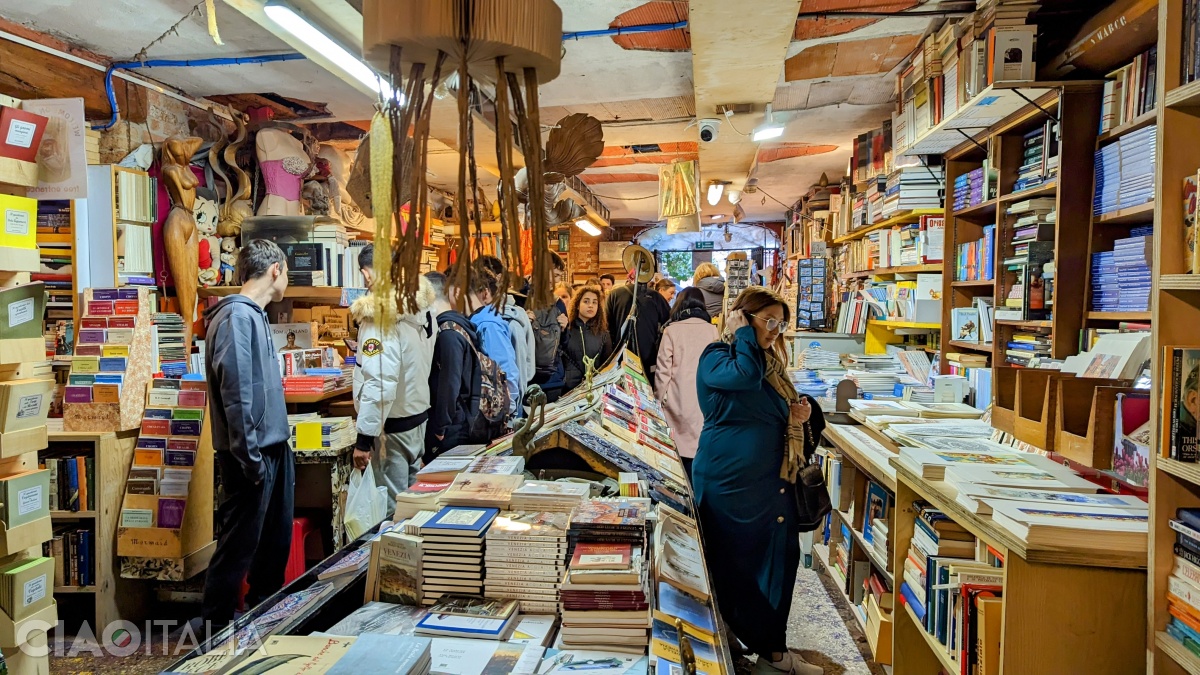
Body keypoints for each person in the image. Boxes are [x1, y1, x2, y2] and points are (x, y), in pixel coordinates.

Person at [693, 286, 826, 675]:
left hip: (766, 486)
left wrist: (795, 416)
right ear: (742, 318)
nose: (775, 330)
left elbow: (765, 403)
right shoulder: (717, 357)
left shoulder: (768, 363)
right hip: (731, 485)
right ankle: (772, 655)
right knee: (737, 566)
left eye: (780, 323)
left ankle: (771, 649)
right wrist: (742, 334)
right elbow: (745, 378)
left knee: (776, 563)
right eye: (768, 321)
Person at [201, 240, 294, 626]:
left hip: (271, 448)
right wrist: (251, 459)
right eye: (287, 272)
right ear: (276, 269)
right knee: (238, 549)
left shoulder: (254, 315)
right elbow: (236, 394)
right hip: (251, 455)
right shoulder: (237, 317)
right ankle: (214, 634)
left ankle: (264, 624)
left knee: (273, 547)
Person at [350, 244, 435, 512]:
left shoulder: (380, 317)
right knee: (412, 507)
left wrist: (364, 439)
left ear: (367, 274)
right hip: (417, 418)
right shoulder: (420, 310)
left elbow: (380, 381)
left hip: (392, 428)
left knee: (392, 511)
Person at [655, 287, 717, 478]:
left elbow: (663, 370)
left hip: (677, 399)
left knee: (676, 458)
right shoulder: (713, 330)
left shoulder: (671, 330)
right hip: (703, 400)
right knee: (700, 453)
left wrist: (659, 400)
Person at [425, 271, 482, 460]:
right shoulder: (458, 326)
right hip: (461, 419)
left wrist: (441, 425)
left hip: (454, 426)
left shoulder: (448, 333)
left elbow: (450, 382)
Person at [477, 255, 536, 406]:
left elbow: (521, 366)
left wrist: (513, 406)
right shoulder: (484, 315)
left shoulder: (506, 320)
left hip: (505, 404)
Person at [466, 260, 522, 416]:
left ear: (484, 293)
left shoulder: (488, 324)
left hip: (494, 412)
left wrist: (508, 411)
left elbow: (505, 368)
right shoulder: (483, 319)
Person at [605, 269, 671, 381]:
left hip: (620, 355)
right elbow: (668, 323)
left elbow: (608, 326)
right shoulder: (656, 297)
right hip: (648, 356)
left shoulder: (615, 295)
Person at [561, 285, 613, 392]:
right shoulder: (566, 329)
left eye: (594, 302)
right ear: (577, 305)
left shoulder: (603, 333)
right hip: (567, 389)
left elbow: (607, 363)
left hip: (594, 388)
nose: (591, 305)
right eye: (586, 301)